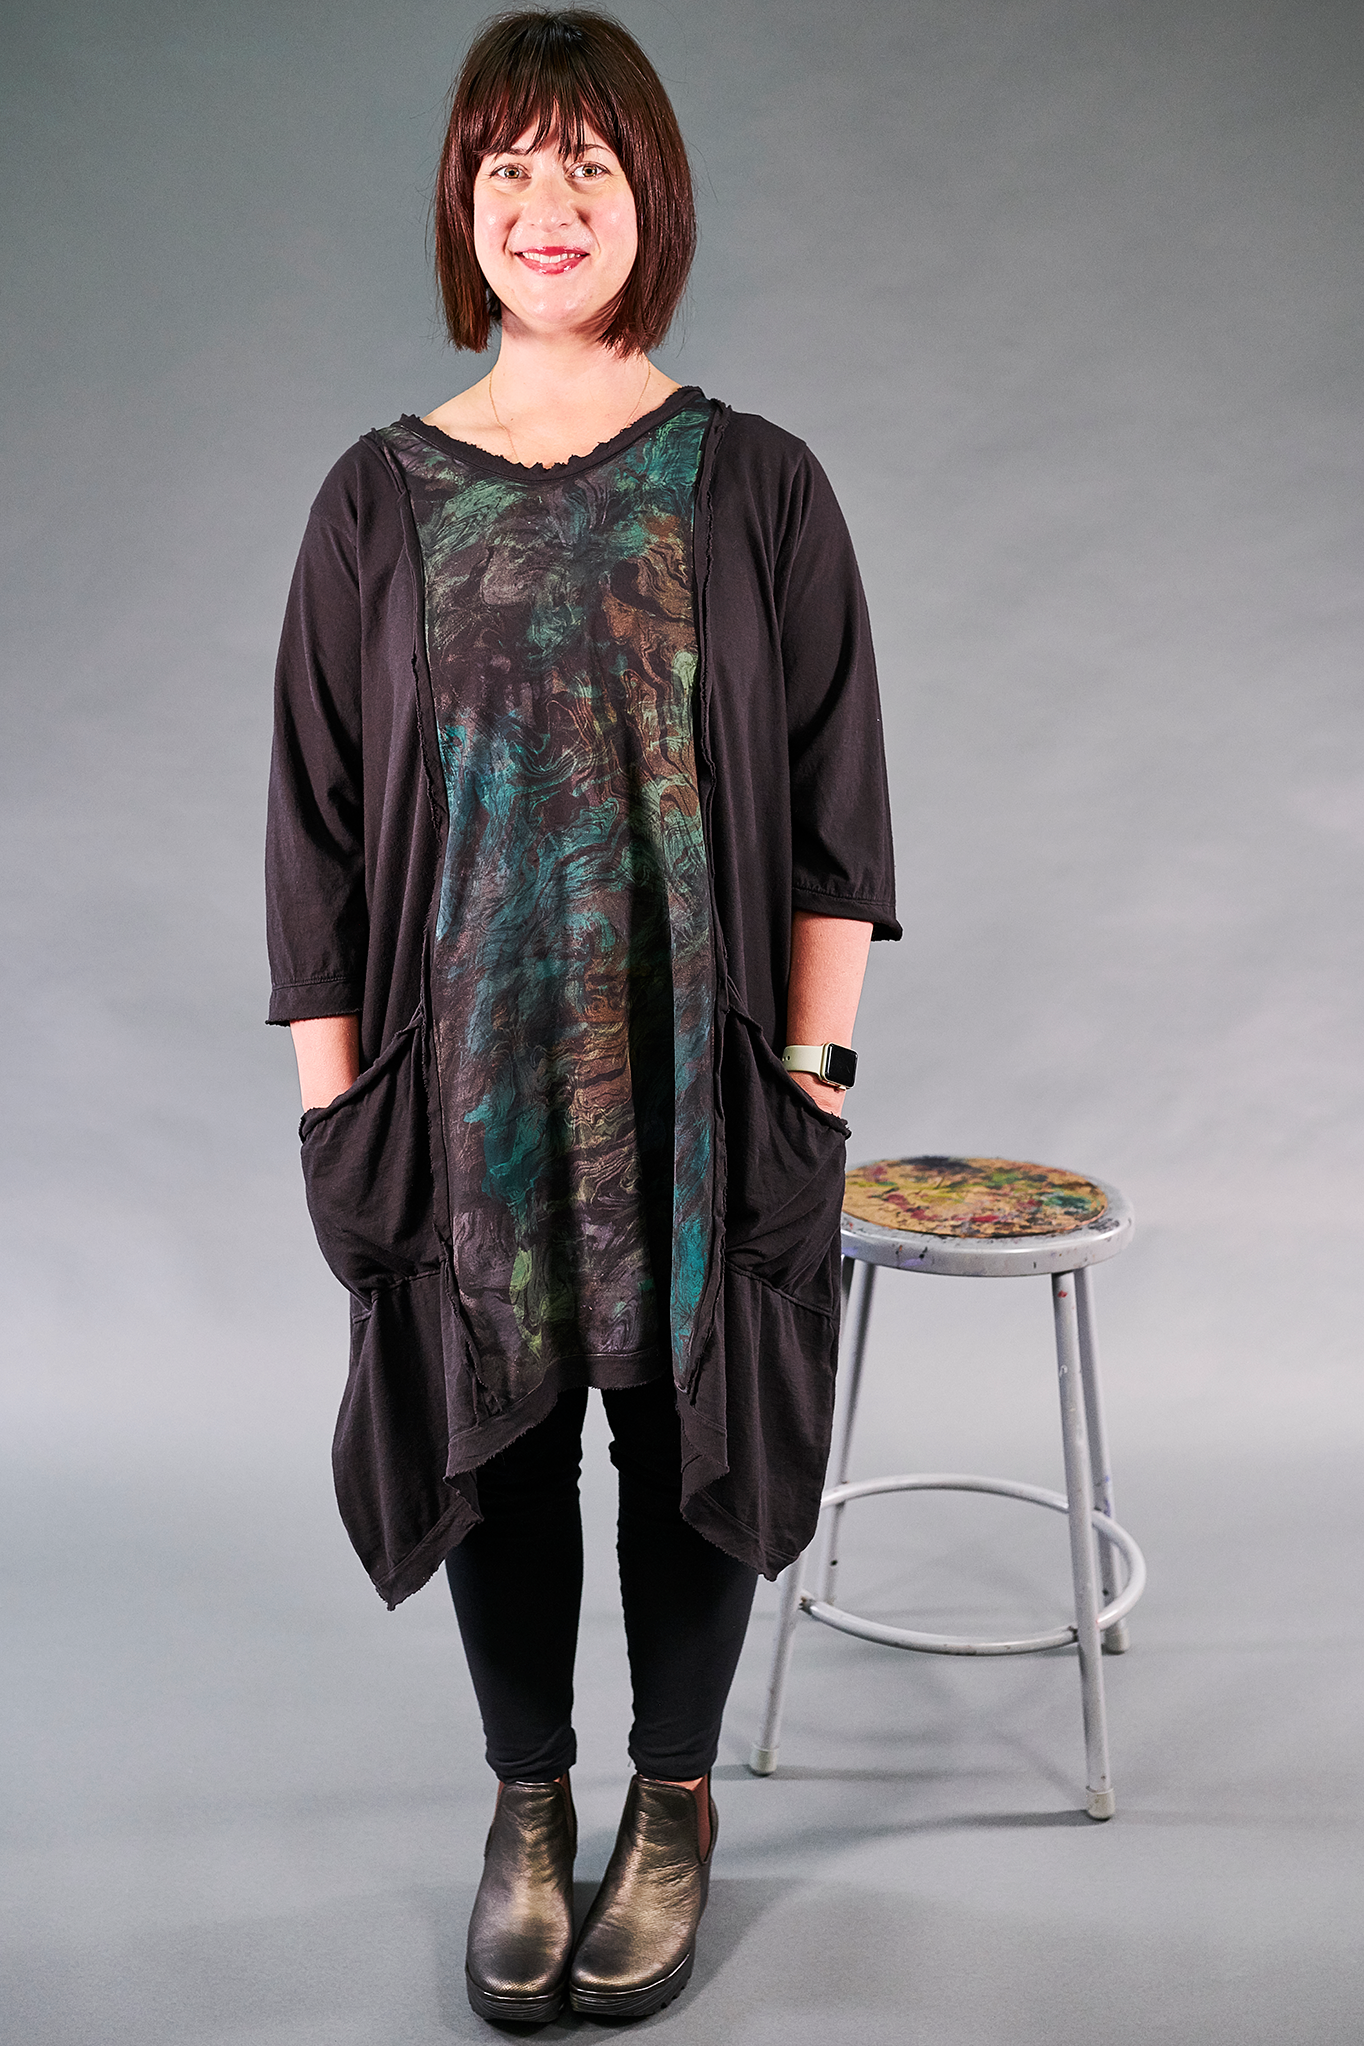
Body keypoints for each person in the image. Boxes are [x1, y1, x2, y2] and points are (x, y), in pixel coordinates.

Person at [265, 7, 899, 2025]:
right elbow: (314, 834)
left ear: (653, 198)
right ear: (464, 203)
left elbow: (835, 813)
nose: (548, 207)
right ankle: (529, 1807)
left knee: (683, 1423)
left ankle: (674, 1801)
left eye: (589, 167)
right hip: (462, 1088)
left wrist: (813, 1081)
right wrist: (339, 1109)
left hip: (701, 1082)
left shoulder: (758, 484)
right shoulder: (375, 499)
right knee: (504, 1428)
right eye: (509, 168)